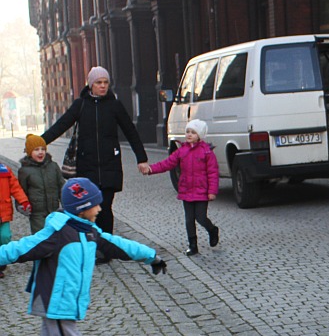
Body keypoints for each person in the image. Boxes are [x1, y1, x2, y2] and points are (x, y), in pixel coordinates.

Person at [0, 178, 167, 336]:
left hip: (66, 303)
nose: (99, 209)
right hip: (55, 304)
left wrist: (150, 256)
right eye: (95, 205)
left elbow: (119, 245)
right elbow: (19, 248)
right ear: (81, 207)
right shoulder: (57, 233)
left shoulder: (90, 232)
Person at [41, 66, 150, 241]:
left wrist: (141, 159)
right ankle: (94, 244)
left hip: (110, 165)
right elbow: (61, 125)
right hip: (87, 166)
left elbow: (131, 131)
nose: (103, 86)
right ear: (91, 84)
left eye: (106, 82)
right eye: (99, 82)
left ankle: (105, 246)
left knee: (105, 207)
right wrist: (39, 142)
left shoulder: (114, 105)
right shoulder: (81, 105)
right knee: (91, 207)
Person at [141, 119, 220, 256]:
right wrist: (151, 169)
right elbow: (167, 163)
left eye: (193, 132)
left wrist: (212, 191)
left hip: (202, 190)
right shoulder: (181, 151)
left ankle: (212, 230)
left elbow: (213, 173)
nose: (189, 135)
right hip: (187, 190)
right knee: (189, 219)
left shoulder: (207, 152)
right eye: (187, 132)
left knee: (200, 217)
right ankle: (192, 245)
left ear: (200, 135)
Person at [17, 134, 63, 234]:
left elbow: (61, 185)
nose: (40, 152)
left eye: (43, 149)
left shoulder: (53, 166)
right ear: (29, 152)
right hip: (37, 213)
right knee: (41, 238)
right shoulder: (24, 171)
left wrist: (65, 202)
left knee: (56, 236)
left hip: (54, 210)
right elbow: (20, 191)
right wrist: (22, 204)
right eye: (36, 149)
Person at [0, 160, 31, 279]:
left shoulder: (5, 170)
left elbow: (15, 188)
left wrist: (23, 201)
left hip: (4, 213)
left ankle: (2, 262)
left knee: (5, 236)